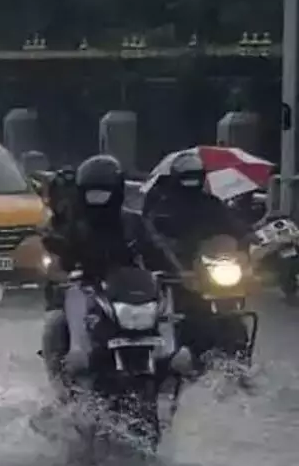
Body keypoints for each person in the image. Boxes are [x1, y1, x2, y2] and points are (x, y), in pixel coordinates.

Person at [41, 154, 150, 376]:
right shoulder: (73, 224)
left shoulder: (133, 221)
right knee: (59, 316)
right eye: (93, 194)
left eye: (104, 193)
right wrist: (61, 262)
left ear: (118, 191)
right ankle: (74, 355)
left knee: (164, 308)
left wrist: (178, 272)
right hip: (88, 285)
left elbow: (156, 248)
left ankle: (169, 354)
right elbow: (59, 256)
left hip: (126, 290)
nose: (99, 200)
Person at [140, 151, 250, 273]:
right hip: (178, 263)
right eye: (187, 176)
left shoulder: (211, 202)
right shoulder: (163, 204)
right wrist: (164, 242)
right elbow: (153, 233)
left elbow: (230, 223)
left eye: (195, 175)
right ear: (176, 176)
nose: (191, 180)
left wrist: (246, 234)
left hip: (213, 262)